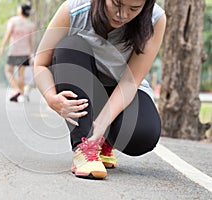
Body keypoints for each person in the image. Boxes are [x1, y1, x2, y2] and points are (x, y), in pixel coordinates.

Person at [34, 0, 166, 179]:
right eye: (117, 4)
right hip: (84, 82)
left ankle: (103, 140)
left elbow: (130, 81)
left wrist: (104, 123)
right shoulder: (74, 10)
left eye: (134, 9)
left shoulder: (155, 19)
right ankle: (84, 147)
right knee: (68, 46)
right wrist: (50, 97)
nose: (123, 15)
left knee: (143, 135)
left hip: (122, 88)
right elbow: (40, 64)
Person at [0, 2, 35, 102]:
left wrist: (2, 46)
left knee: (8, 71)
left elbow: (8, 34)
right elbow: (31, 40)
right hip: (25, 52)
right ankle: (22, 94)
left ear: (20, 10)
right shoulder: (30, 24)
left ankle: (17, 90)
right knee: (21, 74)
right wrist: (31, 53)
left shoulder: (13, 21)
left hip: (14, 50)